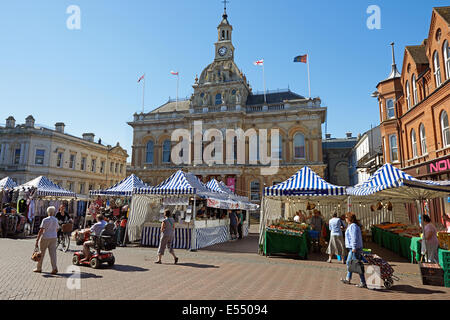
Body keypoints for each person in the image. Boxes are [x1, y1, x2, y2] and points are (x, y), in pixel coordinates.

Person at [341, 213, 367, 288]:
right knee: (350, 263)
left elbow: (354, 238)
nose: (345, 219)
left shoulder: (353, 226)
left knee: (357, 265)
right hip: (353, 248)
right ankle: (348, 278)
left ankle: (363, 282)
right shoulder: (352, 226)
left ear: (349, 219)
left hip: (355, 249)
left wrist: (354, 247)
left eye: (346, 217)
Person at [34, 206, 59, 274]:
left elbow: (41, 230)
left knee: (41, 253)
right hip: (54, 237)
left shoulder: (45, 220)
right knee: (53, 254)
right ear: (53, 212)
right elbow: (57, 229)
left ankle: (39, 268)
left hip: (46, 237)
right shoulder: (56, 220)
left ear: (48, 212)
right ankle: (54, 268)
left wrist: (37, 240)